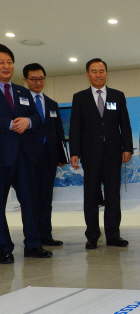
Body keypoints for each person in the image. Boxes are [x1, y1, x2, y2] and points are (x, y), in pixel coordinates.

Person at [69, 58, 133, 249]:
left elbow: (125, 124)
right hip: (90, 154)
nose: (98, 75)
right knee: (91, 196)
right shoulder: (79, 97)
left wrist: (127, 147)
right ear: (88, 74)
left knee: (113, 196)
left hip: (114, 154)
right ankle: (92, 236)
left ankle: (113, 235)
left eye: (102, 71)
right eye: (94, 71)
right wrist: (74, 152)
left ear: (106, 73)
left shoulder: (117, 96)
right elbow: (75, 127)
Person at [0, 44, 52, 263]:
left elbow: (38, 118)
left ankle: (33, 245)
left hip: (25, 158)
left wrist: (28, 121)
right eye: (1, 63)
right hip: (2, 158)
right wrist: (10, 123)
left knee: (30, 203)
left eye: (9, 62)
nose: (6, 66)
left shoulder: (22, 92)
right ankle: (4, 248)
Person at [23, 63, 66, 247]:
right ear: (26, 80)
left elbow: (58, 132)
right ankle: (33, 239)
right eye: (33, 79)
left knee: (46, 198)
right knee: (31, 199)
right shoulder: (20, 101)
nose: (38, 82)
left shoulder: (51, 104)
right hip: (28, 158)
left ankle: (46, 235)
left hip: (48, 157)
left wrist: (61, 157)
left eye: (41, 78)